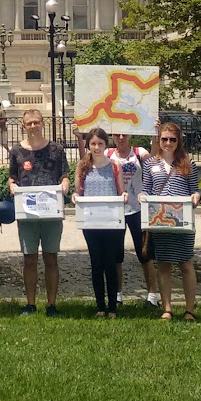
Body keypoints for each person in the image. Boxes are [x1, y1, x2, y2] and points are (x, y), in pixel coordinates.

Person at [9, 108, 70, 317]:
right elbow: (12, 177)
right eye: (29, 123)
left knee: (51, 257)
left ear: (42, 123)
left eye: (36, 122)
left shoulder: (56, 149)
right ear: (23, 126)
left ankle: (52, 305)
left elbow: (64, 174)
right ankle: (31, 304)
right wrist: (11, 185)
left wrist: (65, 184)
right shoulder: (17, 151)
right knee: (29, 258)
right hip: (27, 213)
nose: (33, 126)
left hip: (51, 211)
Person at [147, 121, 201, 322]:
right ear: (158, 140)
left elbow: (194, 189)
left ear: (179, 141)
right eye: (164, 139)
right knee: (163, 265)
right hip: (160, 220)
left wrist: (196, 197)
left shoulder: (188, 163)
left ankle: (189, 309)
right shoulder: (150, 164)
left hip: (182, 220)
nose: (168, 143)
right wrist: (142, 197)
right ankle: (167, 308)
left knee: (186, 263)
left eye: (172, 139)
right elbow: (146, 188)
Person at [76, 128, 126, 318]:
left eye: (100, 144)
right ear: (89, 145)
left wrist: (124, 196)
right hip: (91, 222)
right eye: (93, 144)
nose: (97, 147)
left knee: (110, 264)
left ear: (106, 145)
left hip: (111, 222)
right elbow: (78, 191)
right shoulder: (83, 166)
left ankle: (112, 307)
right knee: (96, 264)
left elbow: (120, 190)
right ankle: (100, 306)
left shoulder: (114, 166)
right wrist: (74, 196)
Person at [107, 129, 158, 308]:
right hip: (116, 210)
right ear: (111, 136)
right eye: (116, 134)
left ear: (130, 135)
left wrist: (154, 134)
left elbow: (153, 161)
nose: (121, 138)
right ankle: (117, 294)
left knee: (145, 253)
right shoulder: (107, 154)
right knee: (115, 255)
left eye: (124, 134)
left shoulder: (139, 152)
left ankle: (152, 294)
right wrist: (79, 138)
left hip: (137, 209)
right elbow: (87, 162)